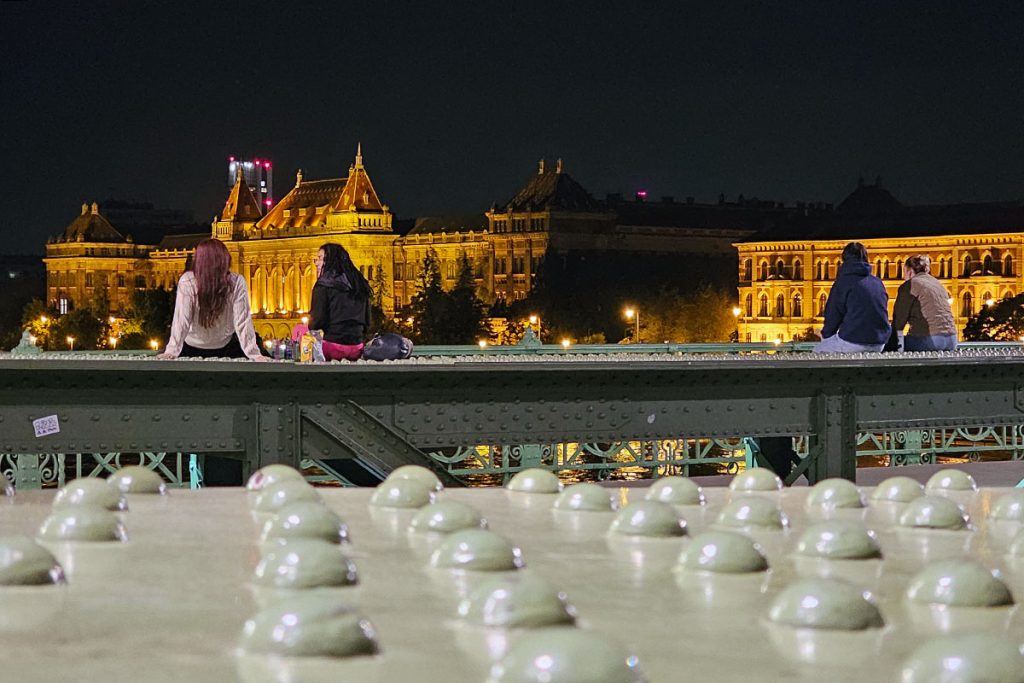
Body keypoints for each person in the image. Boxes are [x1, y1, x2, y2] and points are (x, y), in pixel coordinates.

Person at [159, 238, 266, 361]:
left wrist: (172, 351)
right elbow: (242, 321)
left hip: (190, 346)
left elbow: (182, 320)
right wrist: (254, 354)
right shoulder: (237, 281)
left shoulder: (187, 280)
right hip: (225, 347)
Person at [815, 242, 891, 353]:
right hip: (880, 343)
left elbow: (833, 314)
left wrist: (826, 336)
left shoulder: (843, 282)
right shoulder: (877, 282)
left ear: (844, 260)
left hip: (853, 340)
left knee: (818, 351)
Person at [309, 243, 371, 361]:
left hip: (333, 345)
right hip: (357, 346)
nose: (316, 263)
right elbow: (368, 320)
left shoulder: (323, 285)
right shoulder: (360, 283)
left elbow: (316, 321)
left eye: (320, 258)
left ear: (330, 260)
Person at [892, 255, 957, 352]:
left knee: (891, 346)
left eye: (904, 272)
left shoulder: (909, 285)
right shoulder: (938, 284)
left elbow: (899, 322)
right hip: (952, 340)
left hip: (929, 340)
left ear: (909, 271)